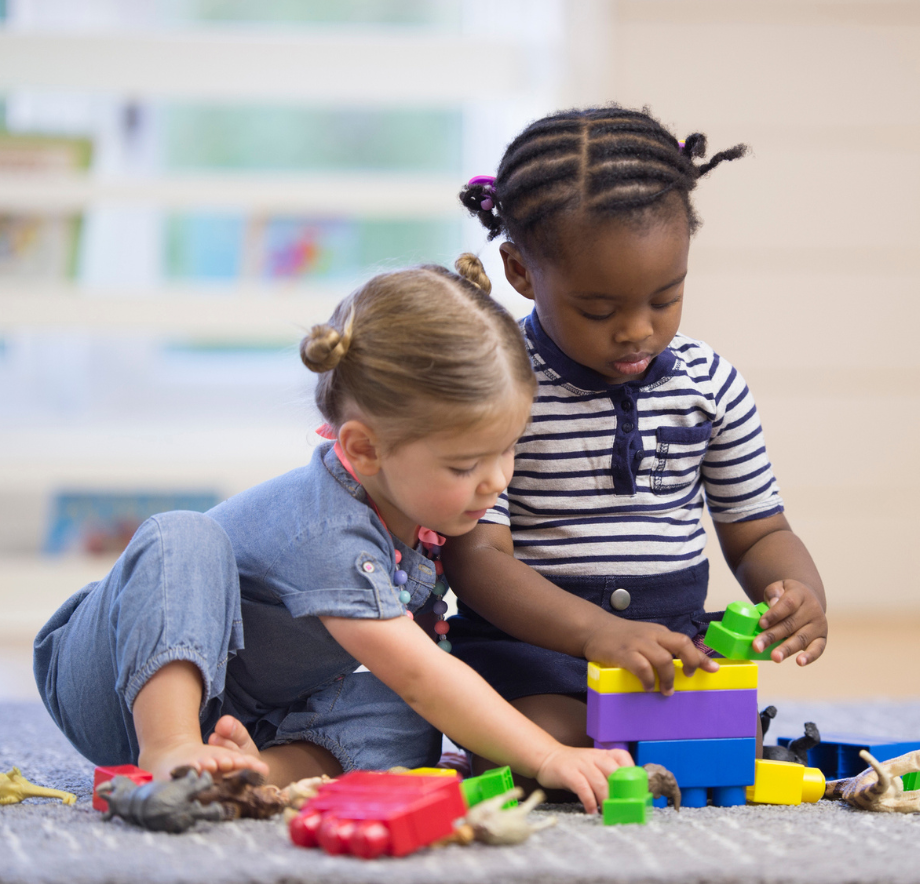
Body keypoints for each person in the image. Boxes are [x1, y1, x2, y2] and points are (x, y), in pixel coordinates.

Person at [32, 255, 631, 812]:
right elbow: (425, 673)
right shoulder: (330, 529)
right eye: (464, 466)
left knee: (408, 721)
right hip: (112, 680)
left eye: (507, 451)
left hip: (250, 708)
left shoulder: (417, 514)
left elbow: (418, 681)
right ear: (364, 449)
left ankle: (250, 774)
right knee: (182, 536)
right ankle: (171, 749)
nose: (495, 481)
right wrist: (547, 754)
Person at [445, 107, 828, 769]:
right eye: (598, 310)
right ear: (521, 272)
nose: (637, 331)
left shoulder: (711, 386)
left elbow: (759, 532)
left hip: (666, 651)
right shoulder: (501, 391)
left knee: (726, 743)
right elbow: (476, 558)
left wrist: (796, 590)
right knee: (543, 736)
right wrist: (597, 635)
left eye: (665, 297)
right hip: (537, 654)